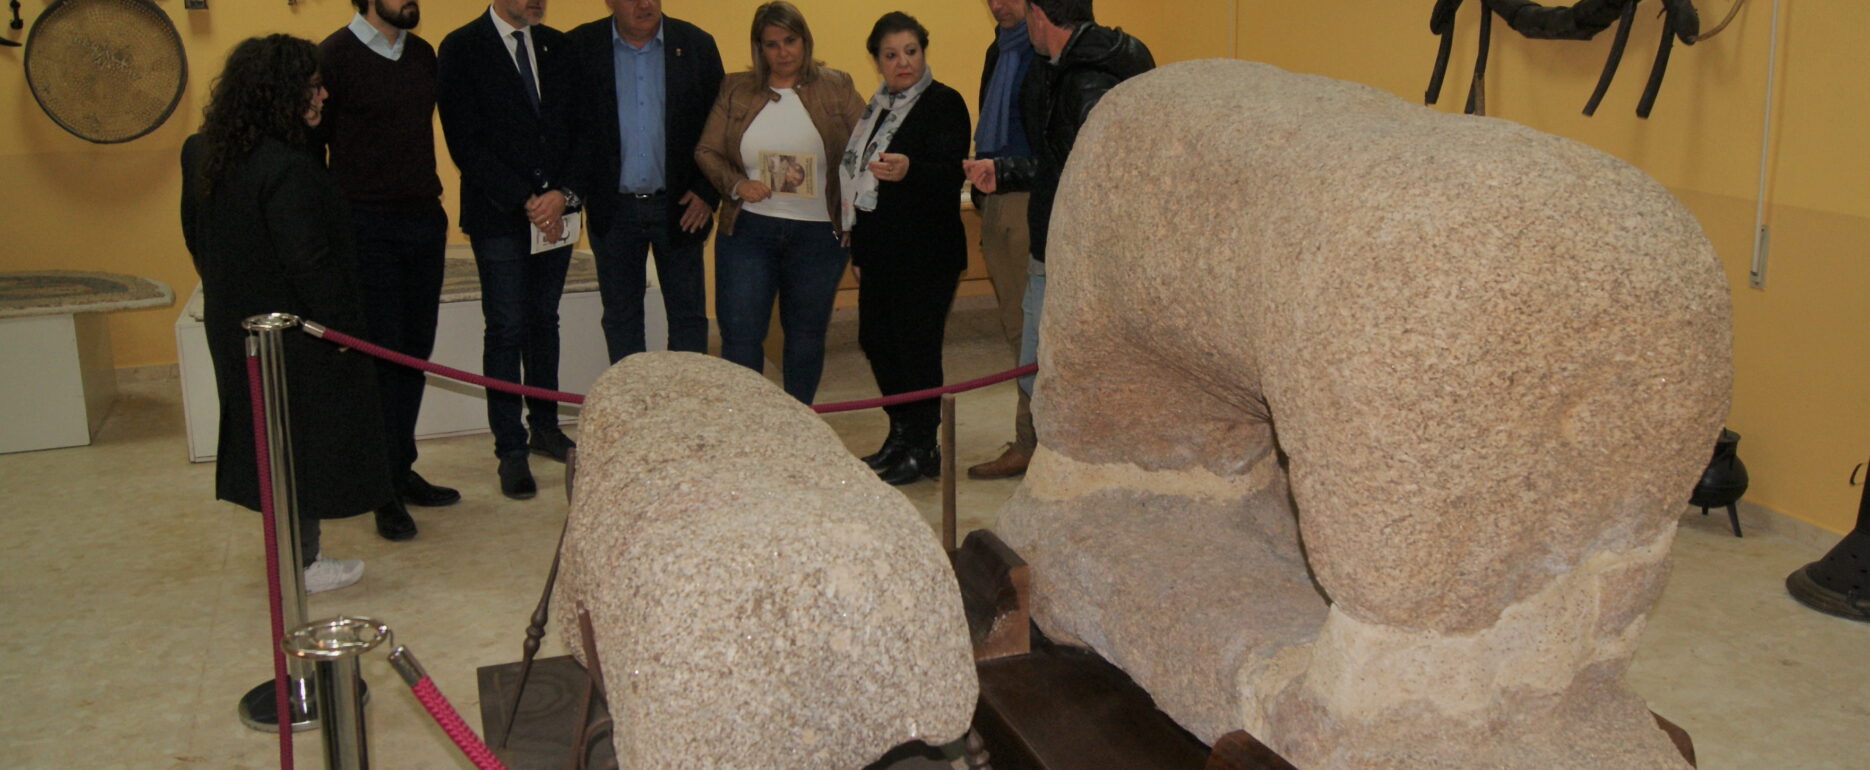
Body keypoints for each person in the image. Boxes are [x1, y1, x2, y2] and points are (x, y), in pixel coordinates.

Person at [180, 34, 391, 594]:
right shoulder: (290, 169)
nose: (323, 95)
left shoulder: (201, 151)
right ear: (281, 93)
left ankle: (291, 557)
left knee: (268, 443)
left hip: (235, 328)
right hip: (295, 339)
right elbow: (312, 265)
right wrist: (347, 333)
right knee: (297, 449)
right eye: (313, 86)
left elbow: (195, 239)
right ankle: (302, 563)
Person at [962, 0, 1152, 450]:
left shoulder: (1086, 78)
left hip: (1071, 249)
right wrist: (1005, 172)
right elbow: (1059, 160)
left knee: (1047, 369)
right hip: (1054, 236)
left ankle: (1061, 463)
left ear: (1038, 15)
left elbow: (1090, 174)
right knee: (1037, 365)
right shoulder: (1069, 64)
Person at [318, 0, 456, 543]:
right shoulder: (333, 57)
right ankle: (381, 490)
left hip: (422, 217)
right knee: (382, 358)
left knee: (413, 355)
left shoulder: (422, 55)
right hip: (365, 224)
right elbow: (313, 148)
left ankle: (401, 467)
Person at [437, 0, 583, 500]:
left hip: (555, 214)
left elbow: (581, 130)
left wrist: (561, 194)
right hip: (500, 213)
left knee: (545, 320)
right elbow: (465, 142)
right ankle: (511, 448)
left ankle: (544, 426)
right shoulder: (461, 47)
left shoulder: (557, 46)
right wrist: (525, 197)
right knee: (506, 326)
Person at [695, 0, 864, 403]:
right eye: (771, 44)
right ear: (759, 49)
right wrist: (737, 184)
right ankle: (749, 424)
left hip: (819, 234)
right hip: (749, 229)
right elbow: (706, 151)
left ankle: (798, 420)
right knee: (740, 335)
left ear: (805, 40)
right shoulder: (736, 88)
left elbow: (866, 148)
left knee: (805, 334)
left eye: (790, 41)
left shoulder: (836, 85)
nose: (783, 52)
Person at [840, 12, 971, 485]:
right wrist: (857, 250)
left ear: (923, 52)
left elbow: (951, 172)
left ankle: (924, 446)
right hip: (879, 252)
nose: (903, 63)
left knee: (916, 349)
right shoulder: (874, 109)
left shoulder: (944, 102)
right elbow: (857, 182)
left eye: (911, 52)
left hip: (927, 253)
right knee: (877, 341)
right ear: (877, 60)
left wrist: (910, 168)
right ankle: (899, 433)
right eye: (891, 55)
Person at [567, 0, 724, 363]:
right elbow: (569, 127)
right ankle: (633, 411)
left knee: (688, 317)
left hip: (682, 205)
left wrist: (706, 191)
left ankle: (684, 412)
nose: (645, 4)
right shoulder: (580, 46)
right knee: (622, 319)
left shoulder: (696, 44)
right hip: (613, 207)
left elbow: (720, 127)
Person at [966, 0, 1040, 480]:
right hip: (996, 195)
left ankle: (1031, 443)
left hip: (1028, 198)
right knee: (1016, 326)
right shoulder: (1001, 48)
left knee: (1030, 330)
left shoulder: (1044, 52)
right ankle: (1030, 440)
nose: (998, 3)